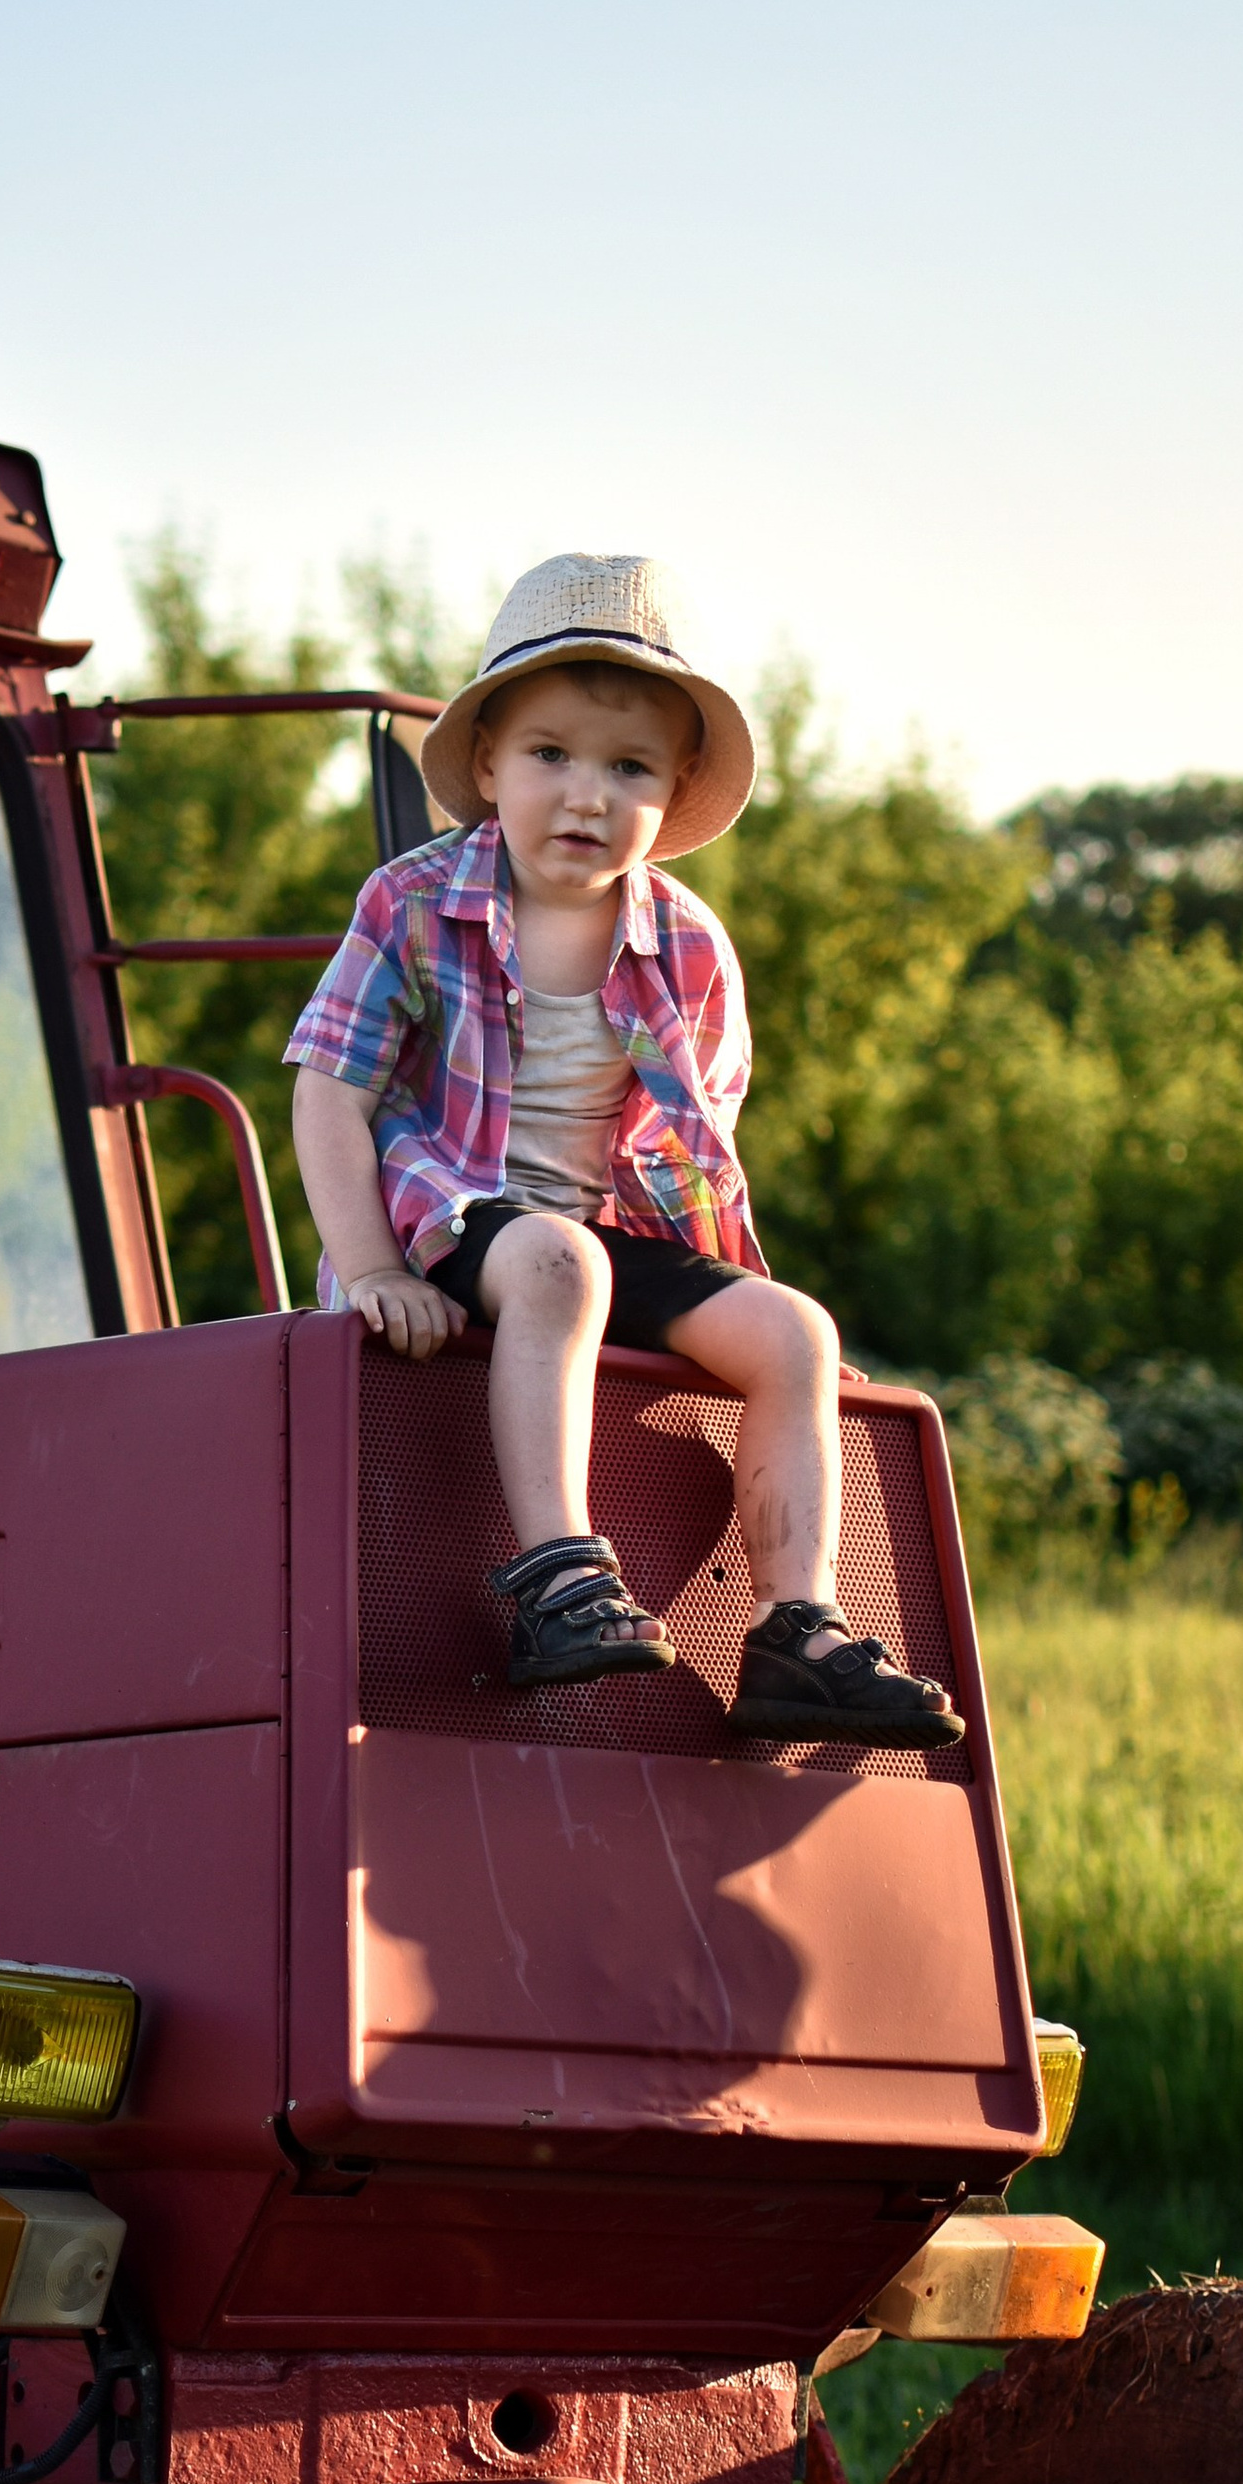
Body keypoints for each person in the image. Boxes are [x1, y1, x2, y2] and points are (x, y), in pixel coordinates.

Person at [284, 554, 963, 1748]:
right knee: (558, 1266)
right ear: (487, 760)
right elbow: (329, 1092)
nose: (584, 794)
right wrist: (372, 1268)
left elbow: (701, 1160)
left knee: (796, 1330)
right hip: (445, 1216)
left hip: (603, 1231)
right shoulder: (410, 898)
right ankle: (556, 1575)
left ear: (673, 789)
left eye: (627, 767)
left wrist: (735, 1298)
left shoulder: (688, 946)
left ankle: (796, 1629)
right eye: (550, 754)